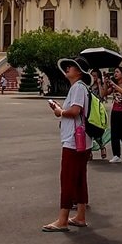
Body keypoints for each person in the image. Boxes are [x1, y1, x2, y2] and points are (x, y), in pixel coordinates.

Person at [42, 56, 90, 232]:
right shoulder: (82, 88)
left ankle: (62, 219)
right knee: (79, 179)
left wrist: (60, 111)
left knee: (68, 179)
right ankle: (80, 216)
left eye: (72, 66)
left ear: (79, 72)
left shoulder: (78, 87)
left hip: (74, 140)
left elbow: (75, 111)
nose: (68, 68)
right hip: (83, 139)